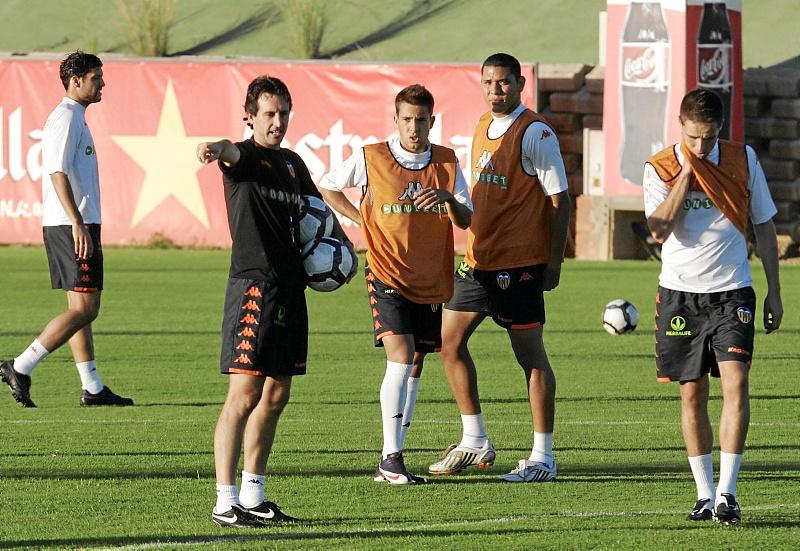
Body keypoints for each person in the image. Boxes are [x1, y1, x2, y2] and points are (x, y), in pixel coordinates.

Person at [197, 76, 349, 526]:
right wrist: (214, 148)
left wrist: (342, 247)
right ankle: (224, 501)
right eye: (269, 113)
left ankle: (253, 494)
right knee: (244, 394)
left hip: (290, 289)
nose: (278, 121)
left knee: (277, 393)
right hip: (253, 287)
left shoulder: (292, 164)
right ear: (250, 116)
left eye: (283, 113)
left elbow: (318, 218)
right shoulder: (246, 159)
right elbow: (229, 151)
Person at [319, 84, 473, 485]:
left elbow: (466, 219)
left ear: (432, 121)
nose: (413, 128)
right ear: (396, 119)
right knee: (401, 356)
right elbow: (328, 185)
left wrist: (447, 199)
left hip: (429, 275)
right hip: (386, 271)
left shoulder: (447, 161)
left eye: (421, 120)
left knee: (416, 360)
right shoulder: (373, 156)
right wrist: (361, 219)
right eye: (406, 119)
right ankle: (390, 458)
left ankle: (393, 460)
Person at [428, 53, 571, 483]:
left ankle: (543, 457)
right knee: (448, 343)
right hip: (478, 261)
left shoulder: (536, 132)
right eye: (489, 82)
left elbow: (560, 200)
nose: (496, 90)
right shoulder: (480, 125)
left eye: (504, 82)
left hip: (519, 265)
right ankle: (475, 439)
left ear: (520, 84)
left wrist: (553, 261)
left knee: (530, 357)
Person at [643, 88, 782, 525]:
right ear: (680, 127)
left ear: (721, 128)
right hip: (680, 295)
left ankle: (728, 493)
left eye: (709, 137)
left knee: (736, 384)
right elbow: (658, 230)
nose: (701, 146)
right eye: (693, 137)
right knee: (692, 393)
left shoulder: (743, 159)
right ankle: (703, 494)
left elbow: (764, 225)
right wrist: (687, 175)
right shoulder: (660, 167)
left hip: (733, 291)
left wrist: (774, 291)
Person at [1, 51, 133, 408]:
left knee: (79, 309)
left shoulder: (75, 116)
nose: (102, 83)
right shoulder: (66, 117)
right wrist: (77, 222)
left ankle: (92, 387)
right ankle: (20, 365)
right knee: (87, 309)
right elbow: (56, 173)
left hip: (74, 222)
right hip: (71, 224)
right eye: (95, 77)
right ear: (76, 81)